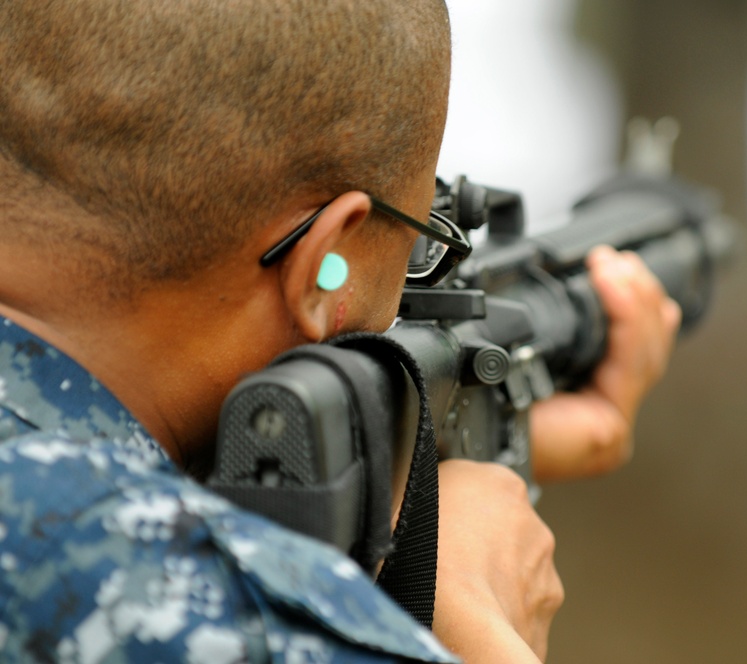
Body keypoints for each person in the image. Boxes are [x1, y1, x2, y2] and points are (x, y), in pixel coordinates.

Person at [0, 0, 680, 662]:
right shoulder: (222, 620)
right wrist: (469, 620)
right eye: (421, 243)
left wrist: (428, 465)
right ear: (327, 267)